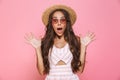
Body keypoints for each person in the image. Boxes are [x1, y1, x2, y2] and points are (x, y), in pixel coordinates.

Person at [24, 5, 95, 80]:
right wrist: (37, 48)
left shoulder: (75, 40)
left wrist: (83, 47)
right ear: (51, 24)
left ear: (67, 23)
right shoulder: (45, 42)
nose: (59, 23)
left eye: (62, 20)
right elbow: (42, 72)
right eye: (55, 20)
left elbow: (80, 70)